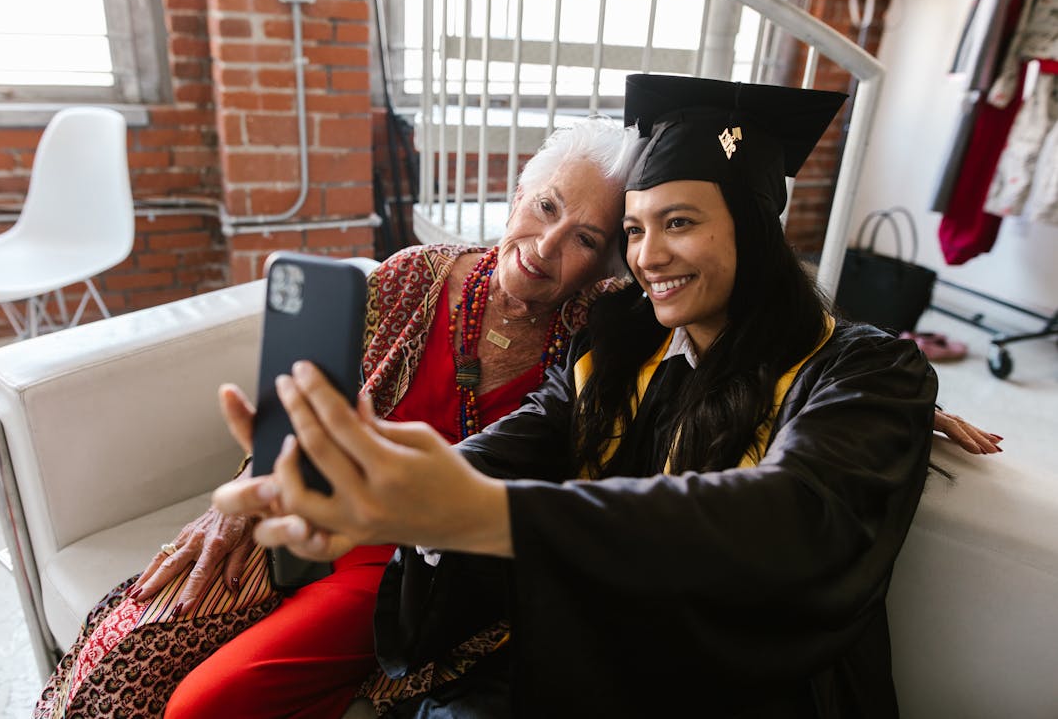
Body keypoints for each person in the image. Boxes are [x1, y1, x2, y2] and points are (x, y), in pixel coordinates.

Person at [213, 74, 948, 718]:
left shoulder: (867, 373)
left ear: (754, 232)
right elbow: (518, 443)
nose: (647, 256)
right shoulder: (618, 345)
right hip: (590, 661)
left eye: (679, 223)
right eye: (632, 230)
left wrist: (487, 513)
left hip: (746, 687)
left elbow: (793, 519)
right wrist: (380, 492)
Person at [33, 116, 642, 719]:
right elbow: (304, 397)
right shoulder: (414, 276)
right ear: (516, 196)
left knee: (200, 704)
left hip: (411, 566)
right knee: (133, 642)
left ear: (609, 264)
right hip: (310, 508)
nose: (545, 245)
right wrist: (244, 490)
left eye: (585, 239)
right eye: (545, 206)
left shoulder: (599, 342)